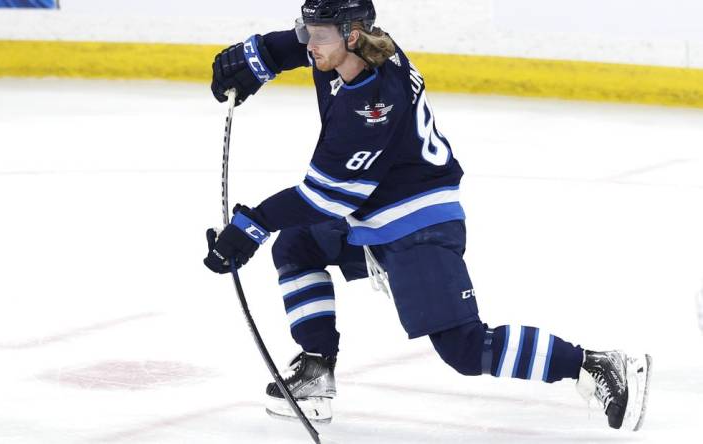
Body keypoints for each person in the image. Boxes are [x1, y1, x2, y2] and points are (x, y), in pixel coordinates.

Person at [203, 0, 651, 431]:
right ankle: (316, 367)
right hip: (373, 210)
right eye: (309, 31)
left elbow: (326, 199)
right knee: (297, 245)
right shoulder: (360, 49)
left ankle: (592, 364)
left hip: (416, 224)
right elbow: (295, 46)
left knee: (464, 348)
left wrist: (253, 223)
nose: (309, 44)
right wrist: (254, 58)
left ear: (352, 36)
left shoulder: (372, 105)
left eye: (318, 35)